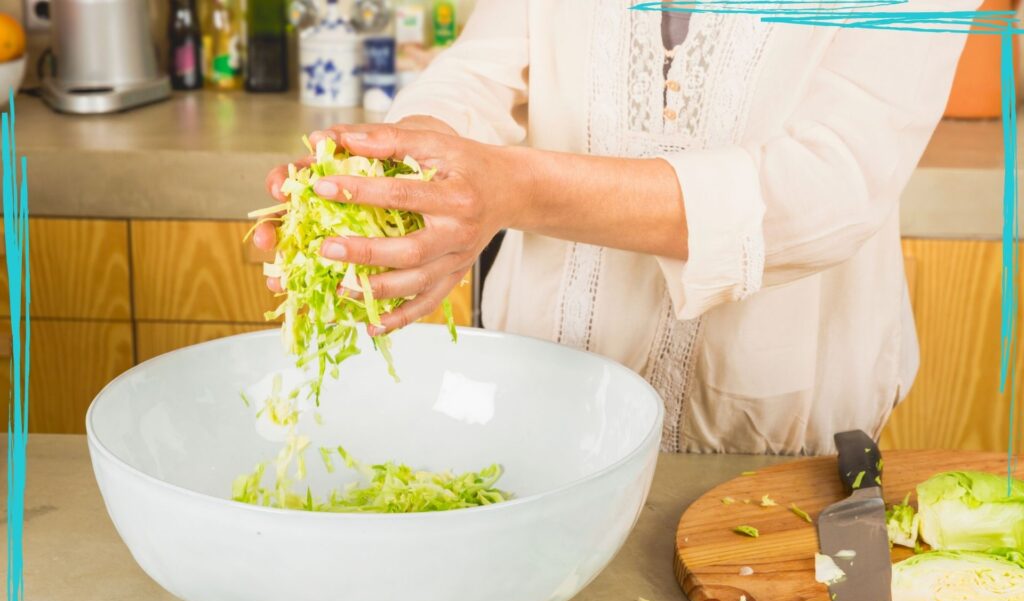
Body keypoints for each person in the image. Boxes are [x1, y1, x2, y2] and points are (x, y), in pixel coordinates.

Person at [254, 0, 980, 455]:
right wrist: (390, 179)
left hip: (778, 448)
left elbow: (831, 184)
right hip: (540, 418)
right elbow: (475, 75)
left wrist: (518, 189)